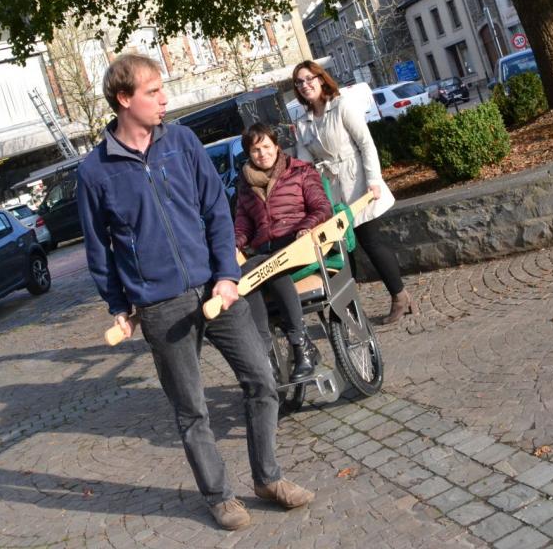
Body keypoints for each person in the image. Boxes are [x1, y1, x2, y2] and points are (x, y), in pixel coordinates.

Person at [76, 54, 313, 531]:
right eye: (153, 91)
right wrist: (120, 306)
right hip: (161, 306)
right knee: (191, 409)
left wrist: (226, 274)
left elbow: (216, 212)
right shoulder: (94, 172)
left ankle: (268, 478)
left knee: (262, 381)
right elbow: (99, 248)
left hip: (216, 287)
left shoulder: (181, 142)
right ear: (124, 100)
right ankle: (219, 495)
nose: (165, 98)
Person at [291, 60, 416, 324]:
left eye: (309, 78)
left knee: (370, 241)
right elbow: (304, 168)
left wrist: (374, 180)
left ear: (321, 78)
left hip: (357, 183)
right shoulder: (302, 124)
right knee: (341, 252)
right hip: (330, 192)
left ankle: (400, 296)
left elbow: (366, 144)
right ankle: (348, 310)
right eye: (299, 82)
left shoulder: (341, 105)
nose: (305, 85)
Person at [234, 123, 333, 381]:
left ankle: (300, 347)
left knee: (272, 269)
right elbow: (243, 223)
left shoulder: (300, 171)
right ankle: (265, 354)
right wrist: (233, 242)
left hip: (298, 245)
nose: (262, 154)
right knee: (246, 276)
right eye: (255, 150)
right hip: (264, 250)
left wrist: (306, 227)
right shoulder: (244, 184)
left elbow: (321, 207)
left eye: (266, 146)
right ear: (249, 153)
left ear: (276, 146)